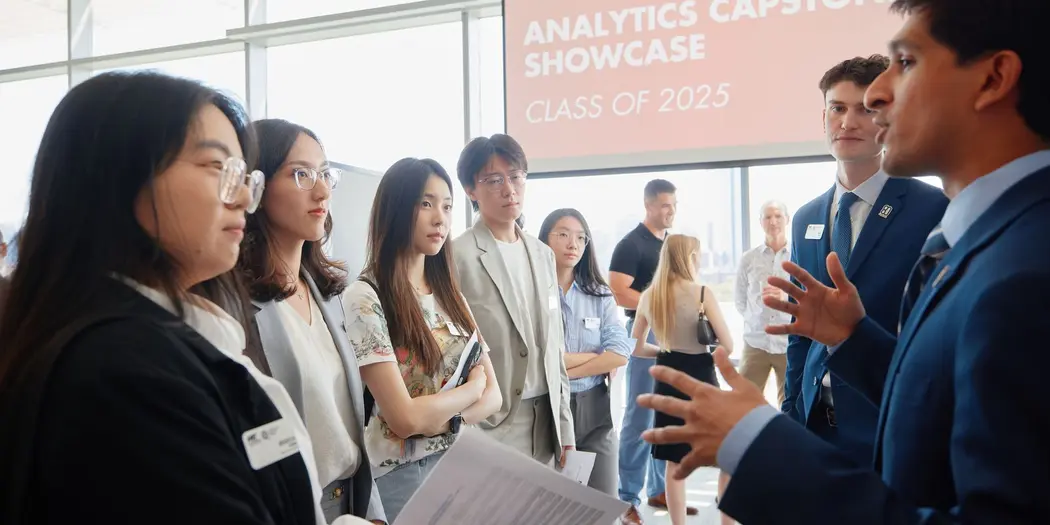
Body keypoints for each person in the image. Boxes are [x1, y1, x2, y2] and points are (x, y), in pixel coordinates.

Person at [638, 1, 1050, 523]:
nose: (878, 97)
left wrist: (760, 446)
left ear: (993, 79)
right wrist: (853, 340)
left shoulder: (1027, 270)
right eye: (839, 106)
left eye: (907, 62)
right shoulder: (1000, 236)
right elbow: (941, 400)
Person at [0, 71, 369, 525]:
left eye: (244, 175)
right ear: (120, 175)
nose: (242, 199)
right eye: (218, 168)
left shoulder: (186, 334)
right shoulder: (122, 370)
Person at [782, 53, 946, 464]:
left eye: (865, 109)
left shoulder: (933, 209)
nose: (848, 122)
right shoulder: (805, 218)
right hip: (816, 426)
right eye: (837, 108)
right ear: (823, 117)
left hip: (889, 425)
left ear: (888, 117)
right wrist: (791, 416)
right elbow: (801, 331)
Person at [238, 119, 385, 523]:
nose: (322, 191)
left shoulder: (331, 297)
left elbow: (352, 429)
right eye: (301, 174)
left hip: (350, 505)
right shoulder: (234, 310)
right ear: (257, 186)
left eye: (324, 174)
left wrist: (373, 514)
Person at [344, 157, 502, 521]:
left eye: (447, 206)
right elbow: (404, 419)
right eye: (426, 204)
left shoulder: (450, 294)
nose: (440, 219)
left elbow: (493, 396)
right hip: (400, 475)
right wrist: (468, 393)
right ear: (397, 208)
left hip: (459, 465)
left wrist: (439, 417)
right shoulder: (366, 296)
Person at [452, 134, 576, 469]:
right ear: (470, 190)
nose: (509, 189)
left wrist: (565, 427)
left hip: (547, 421)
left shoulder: (542, 254)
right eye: (494, 180)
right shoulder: (457, 255)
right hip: (494, 422)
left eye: (516, 176)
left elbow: (555, 350)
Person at [609, 179, 697, 523]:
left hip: (673, 340)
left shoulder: (669, 245)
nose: (670, 210)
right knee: (640, 420)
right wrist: (659, 307)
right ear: (648, 206)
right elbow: (618, 292)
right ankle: (628, 497)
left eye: (674, 204)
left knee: (667, 418)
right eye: (664, 205)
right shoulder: (631, 244)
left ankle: (659, 490)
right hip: (645, 341)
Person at [631, 235, 733, 525]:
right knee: (727, 453)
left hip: (667, 376)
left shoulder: (649, 295)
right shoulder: (701, 292)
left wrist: (664, 353)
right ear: (688, 257)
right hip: (701, 376)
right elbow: (728, 344)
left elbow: (636, 347)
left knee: (675, 463)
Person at [539, 208, 631, 496]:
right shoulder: (534, 292)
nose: (572, 244)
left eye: (581, 238)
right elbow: (540, 358)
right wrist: (596, 360)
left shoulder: (599, 294)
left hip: (595, 411)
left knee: (605, 502)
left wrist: (563, 366)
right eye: (563, 235)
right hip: (547, 408)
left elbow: (619, 353)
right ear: (544, 240)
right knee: (551, 505)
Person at [734, 200, 791, 406]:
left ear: (787, 220)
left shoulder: (799, 256)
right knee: (744, 402)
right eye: (767, 217)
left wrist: (786, 299)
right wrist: (754, 319)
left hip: (788, 343)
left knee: (790, 405)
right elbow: (740, 300)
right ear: (760, 222)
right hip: (756, 341)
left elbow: (808, 298)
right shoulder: (748, 258)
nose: (773, 221)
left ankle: (784, 439)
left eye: (778, 216)